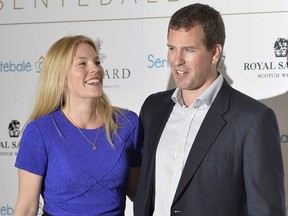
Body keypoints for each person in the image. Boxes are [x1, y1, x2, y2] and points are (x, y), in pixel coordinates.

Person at [134, 3, 286, 216]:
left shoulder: (252, 120)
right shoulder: (153, 109)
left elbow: (266, 210)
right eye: (171, 48)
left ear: (215, 53)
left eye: (188, 49)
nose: (176, 60)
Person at [14, 35, 142, 216]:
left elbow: (141, 195)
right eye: (82, 63)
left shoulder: (127, 123)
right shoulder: (40, 131)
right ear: (61, 78)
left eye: (97, 62)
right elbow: (26, 208)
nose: (95, 69)